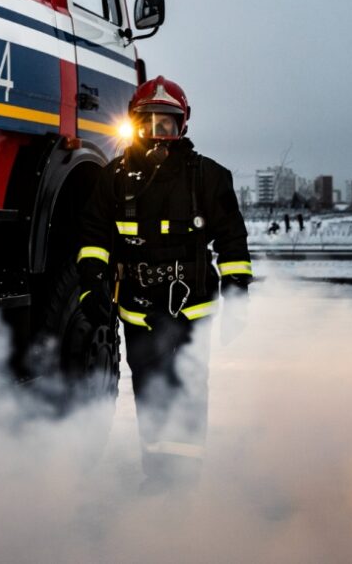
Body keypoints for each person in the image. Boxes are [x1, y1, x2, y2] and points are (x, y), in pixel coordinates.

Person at [76, 76, 252, 493]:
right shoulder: (113, 178)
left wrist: (238, 292)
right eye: (148, 123)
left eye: (167, 124)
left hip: (192, 307)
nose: (158, 133)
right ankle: (157, 475)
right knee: (150, 388)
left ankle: (185, 481)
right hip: (137, 307)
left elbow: (232, 238)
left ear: (182, 126)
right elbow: (94, 236)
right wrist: (90, 284)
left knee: (188, 387)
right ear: (133, 124)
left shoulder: (209, 177)